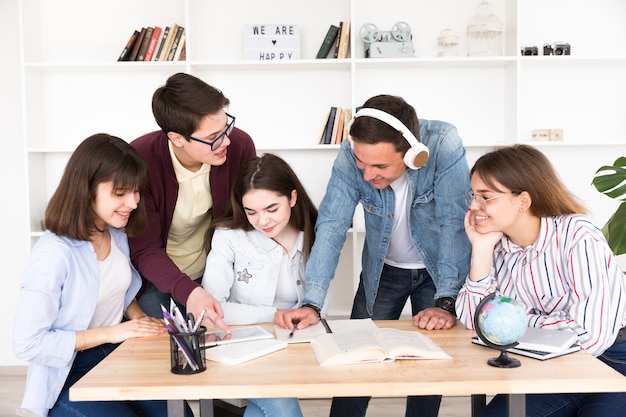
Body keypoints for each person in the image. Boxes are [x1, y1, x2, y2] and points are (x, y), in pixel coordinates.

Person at [275, 94, 472, 417]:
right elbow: (332, 224)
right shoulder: (350, 152)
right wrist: (312, 302)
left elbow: (454, 223)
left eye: (380, 166)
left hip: (439, 273)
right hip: (383, 271)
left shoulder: (443, 144)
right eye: (361, 165)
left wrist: (447, 300)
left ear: (413, 156)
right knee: (356, 357)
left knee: (428, 368)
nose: (368, 176)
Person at [13, 134, 192, 417]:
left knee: (178, 414)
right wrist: (114, 331)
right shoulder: (53, 254)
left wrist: (139, 319)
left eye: (136, 191)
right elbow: (28, 343)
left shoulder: (116, 233)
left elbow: (112, 290)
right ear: (86, 189)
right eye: (120, 193)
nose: (133, 203)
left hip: (117, 356)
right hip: (68, 372)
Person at [457, 144, 626, 417]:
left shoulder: (578, 236)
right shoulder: (498, 245)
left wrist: (517, 323)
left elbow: (591, 335)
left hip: (614, 359)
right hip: (546, 361)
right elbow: (473, 322)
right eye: (473, 195)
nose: (473, 206)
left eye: (485, 197)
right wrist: (481, 248)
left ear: (523, 200)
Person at [129, 72, 256, 331]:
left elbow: (247, 218)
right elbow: (144, 249)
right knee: (165, 351)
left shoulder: (239, 146)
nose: (226, 141)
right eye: (212, 138)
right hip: (156, 273)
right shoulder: (141, 159)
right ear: (177, 138)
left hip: (216, 266)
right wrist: (190, 292)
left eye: (226, 128)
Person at [202, 153, 316, 417]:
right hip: (238, 347)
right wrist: (275, 315)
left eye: (272, 209)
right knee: (284, 409)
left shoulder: (315, 237)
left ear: (293, 198)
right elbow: (212, 311)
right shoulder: (229, 237)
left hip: (294, 349)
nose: (262, 221)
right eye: (251, 211)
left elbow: (318, 307)